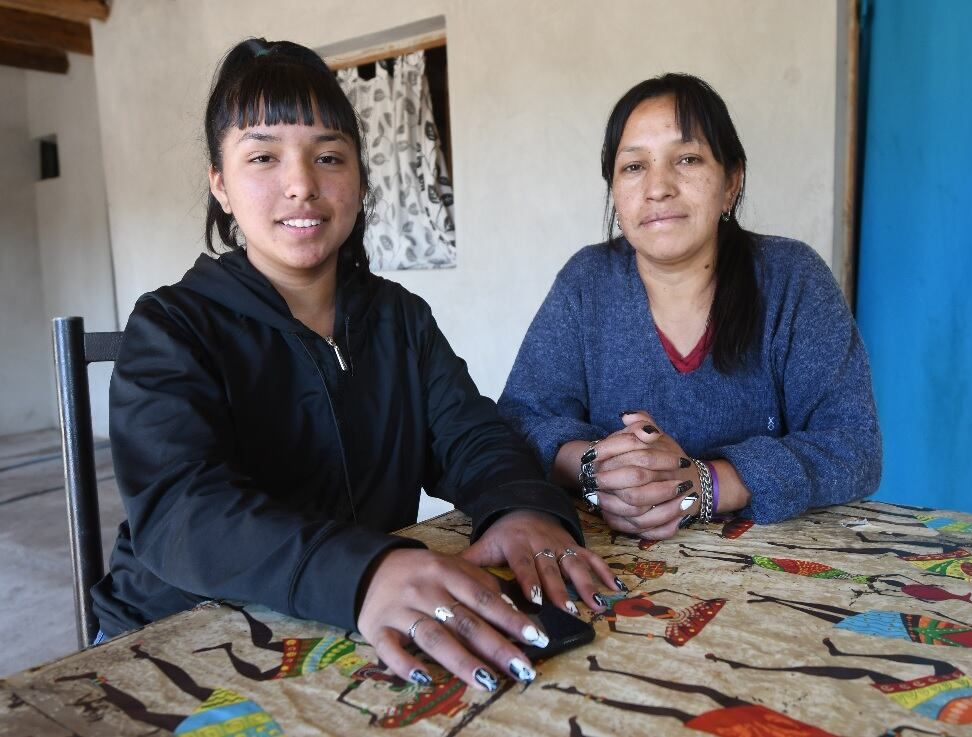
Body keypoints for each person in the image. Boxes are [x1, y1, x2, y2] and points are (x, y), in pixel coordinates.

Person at [91, 38, 617, 693]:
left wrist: (516, 504)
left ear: (360, 179)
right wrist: (364, 571)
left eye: (329, 156)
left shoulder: (399, 318)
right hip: (171, 635)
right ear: (220, 186)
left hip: (341, 635)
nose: (301, 185)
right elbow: (182, 511)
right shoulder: (171, 326)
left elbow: (470, 433)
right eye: (263, 156)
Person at [498, 74, 881, 540]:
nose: (658, 187)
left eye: (687, 159)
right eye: (634, 166)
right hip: (615, 561)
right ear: (614, 190)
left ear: (730, 182)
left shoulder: (792, 277)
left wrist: (706, 484)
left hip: (768, 564)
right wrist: (598, 468)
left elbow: (853, 446)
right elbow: (518, 421)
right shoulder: (586, 282)